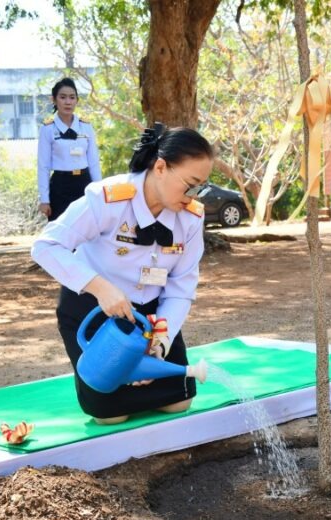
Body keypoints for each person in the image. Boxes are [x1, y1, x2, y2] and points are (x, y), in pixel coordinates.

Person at [31, 124, 214, 424]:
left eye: (201, 187)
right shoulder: (106, 199)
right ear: (160, 168)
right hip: (94, 308)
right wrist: (101, 288)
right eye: (190, 185)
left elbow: (181, 287)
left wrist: (160, 341)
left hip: (150, 316)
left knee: (178, 403)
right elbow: (45, 246)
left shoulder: (191, 218)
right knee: (111, 415)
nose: (193, 195)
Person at [37, 77, 102, 221]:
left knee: (87, 230)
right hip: (60, 186)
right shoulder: (47, 129)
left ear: (77, 100)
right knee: (60, 230)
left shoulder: (86, 127)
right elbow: (43, 166)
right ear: (54, 100)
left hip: (84, 184)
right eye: (63, 97)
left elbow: (94, 163)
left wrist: (99, 192)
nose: (68, 102)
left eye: (72, 97)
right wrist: (44, 200)